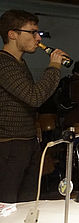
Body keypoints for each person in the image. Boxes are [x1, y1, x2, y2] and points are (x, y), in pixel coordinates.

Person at [0, 10, 67, 202]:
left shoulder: (19, 63)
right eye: (33, 32)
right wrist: (54, 66)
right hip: (9, 146)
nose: (38, 38)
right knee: (8, 203)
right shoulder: (4, 63)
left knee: (28, 202)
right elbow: (34, 97)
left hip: (26, 142)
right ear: (12, 34)